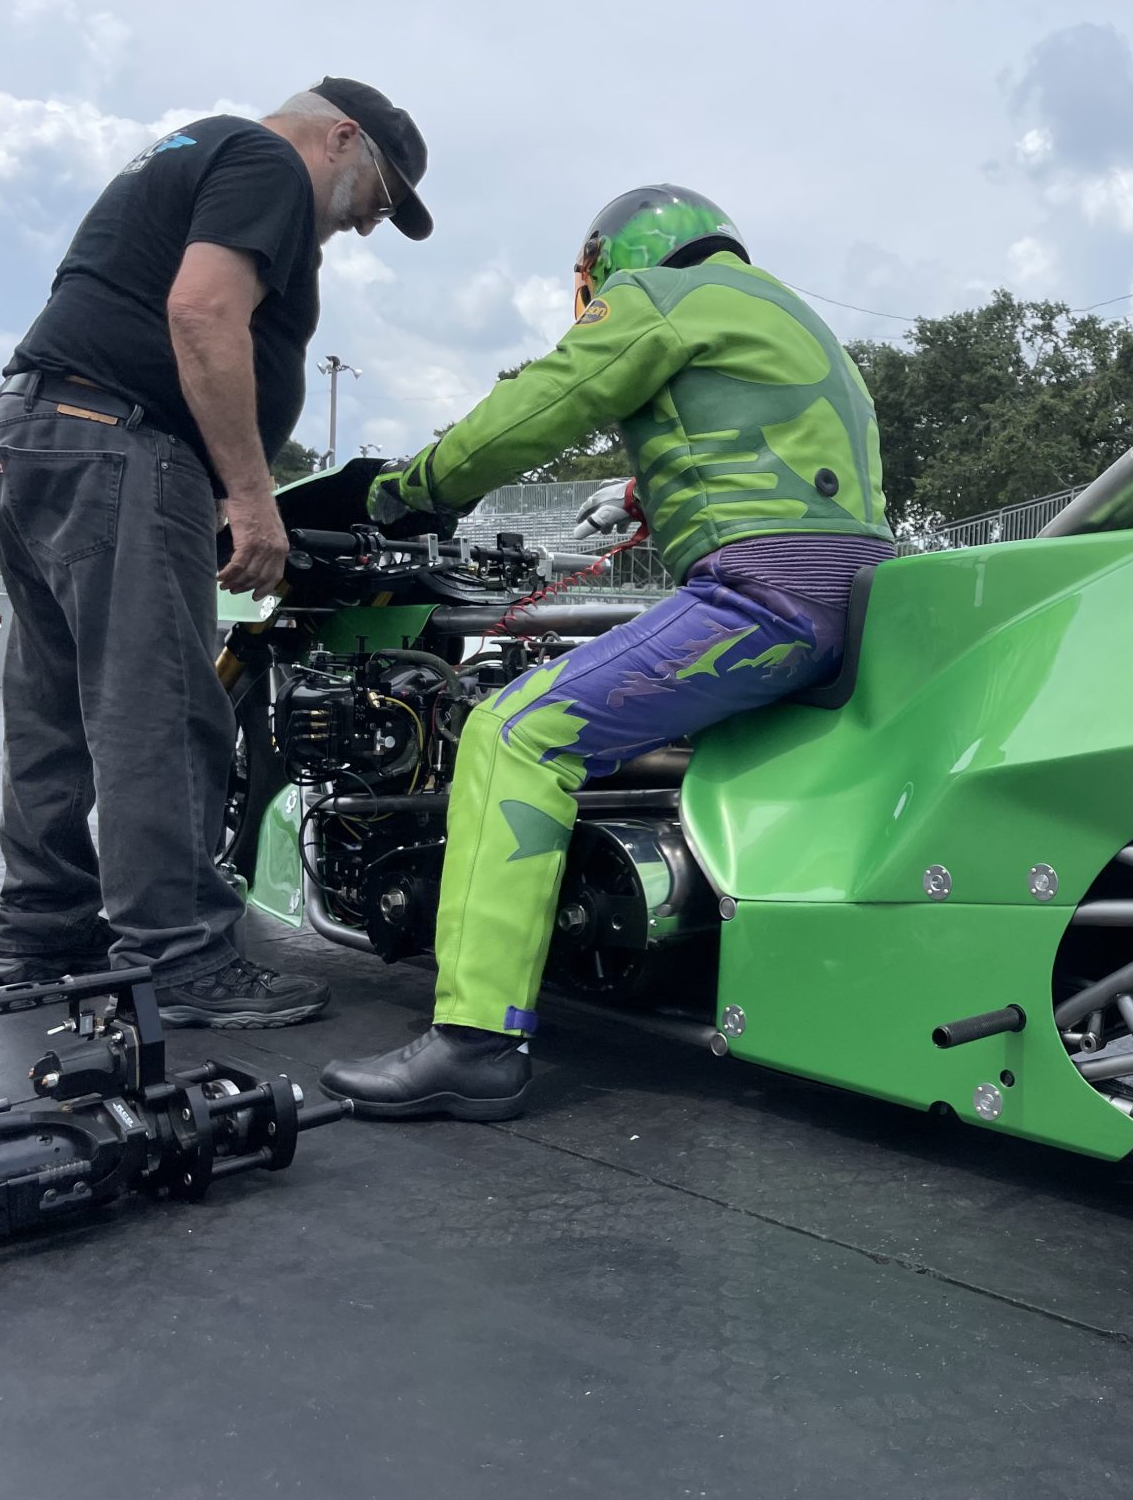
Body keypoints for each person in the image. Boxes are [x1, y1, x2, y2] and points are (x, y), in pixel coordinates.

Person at [320, 185, 895, 1120]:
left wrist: (406, 490)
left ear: (616, 257)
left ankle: (474, 1042)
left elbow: (534, 411)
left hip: (762, 600)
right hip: (858, 602)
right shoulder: (797, 319)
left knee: (510, 732)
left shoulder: (661, 300)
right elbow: (766, 446)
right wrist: (640, 494)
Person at [0, 79, 433, 1022]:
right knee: (161, 710)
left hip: (38, 432)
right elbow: (200, 313)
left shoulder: (187, 148)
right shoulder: (268, 161)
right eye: (380, 198)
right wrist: (249, 493)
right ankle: (180, 958)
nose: (366, 227)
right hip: (123, 443)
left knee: (50, 710)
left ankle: (41, 931)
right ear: (341, 138)